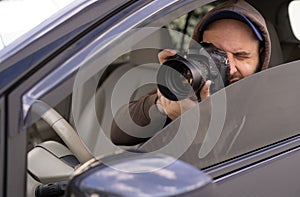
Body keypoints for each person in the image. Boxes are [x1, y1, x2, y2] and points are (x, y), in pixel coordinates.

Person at [110, 0, 271, 146]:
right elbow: (119, 133)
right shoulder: (192, 88)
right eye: (215, 53)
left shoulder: (272, 111)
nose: (229, 68)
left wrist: (197, 130)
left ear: (261, 56)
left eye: (240, 56)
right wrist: (162, 103)